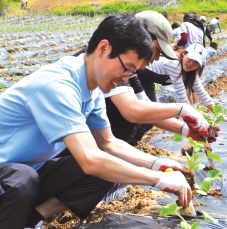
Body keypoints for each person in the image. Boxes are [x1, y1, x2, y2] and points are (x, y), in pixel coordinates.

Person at [0, 13, 194, 229]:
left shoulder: (93, 90)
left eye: (132, 73)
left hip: (28, 171)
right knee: (23, 179)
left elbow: (108, 144)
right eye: (127, 68)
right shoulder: (57, 86)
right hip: (10, 173)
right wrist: (157, 180)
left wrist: (156, 164)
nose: (126, 78)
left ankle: (31, 219)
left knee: (110, 167)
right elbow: (90, 159)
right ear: (103, 49)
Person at [103, 10, 218, 146]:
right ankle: (125, 144)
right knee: (124, 119)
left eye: (196, 63)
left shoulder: (129, 73)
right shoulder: (115, 68)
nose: (158, 57)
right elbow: (133, 111)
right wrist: (184, 110)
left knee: (139, 117)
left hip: (145, 82)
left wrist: (188, 130)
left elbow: (146, 109)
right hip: (81, 154)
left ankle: (128, 144)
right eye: (157, 50)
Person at [136, 43, 216, 114]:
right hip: (137, 75)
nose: (191, 63)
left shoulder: (192, 73)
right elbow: (182, 96)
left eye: (196, 62)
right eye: (191, 58)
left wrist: (219, 114)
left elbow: (202, 94)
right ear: (184, 53)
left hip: (148, 81)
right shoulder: (174, 64)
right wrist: (191, 118)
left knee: (151, 113)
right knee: (147, 112)